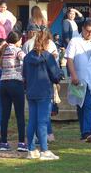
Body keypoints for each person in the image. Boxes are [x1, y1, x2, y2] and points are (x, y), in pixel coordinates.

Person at [23, 31, 63, 160]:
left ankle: (31, 149)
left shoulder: (27, 57)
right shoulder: (48, 56)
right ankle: (45, 151)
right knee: (43, 121)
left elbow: (24, 75)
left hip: (31, 91)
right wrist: (59, 75)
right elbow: (55, 75)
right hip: (44, 92)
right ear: (47, 42)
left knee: (32, 121)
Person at [66, 19, 91, 142]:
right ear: (83, 29)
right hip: (79, 79)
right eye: (88, 31)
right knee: (81, 105)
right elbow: (70, 59)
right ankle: (84, 132)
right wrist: (73, 75)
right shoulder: (75, 41)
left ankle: (87, 131)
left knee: (88, 104)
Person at [0, 31, 27, 153]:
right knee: (20, 115)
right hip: (16, 83)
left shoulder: (3, 50)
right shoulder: (18, 50)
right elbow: (27, 60)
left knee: (5, 115)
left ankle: (4, 142)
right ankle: (21, 143)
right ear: (18, 40)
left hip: (3, 84)